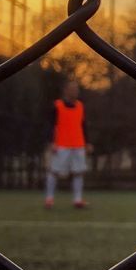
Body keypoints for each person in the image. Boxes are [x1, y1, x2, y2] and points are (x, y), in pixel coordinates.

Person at [45, 79, 91, 209]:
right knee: (54, 171)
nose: (75, 91)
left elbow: (83, 125)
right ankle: (49, 199)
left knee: (78, 172)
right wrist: (51, 142)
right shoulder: (57, 105)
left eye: (76, 89)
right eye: (72, 89)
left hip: (78, 144)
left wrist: (87, 142)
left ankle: (77, 199)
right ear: (65, 90)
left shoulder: (81, 106)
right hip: (61, 144)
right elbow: (50, 125)